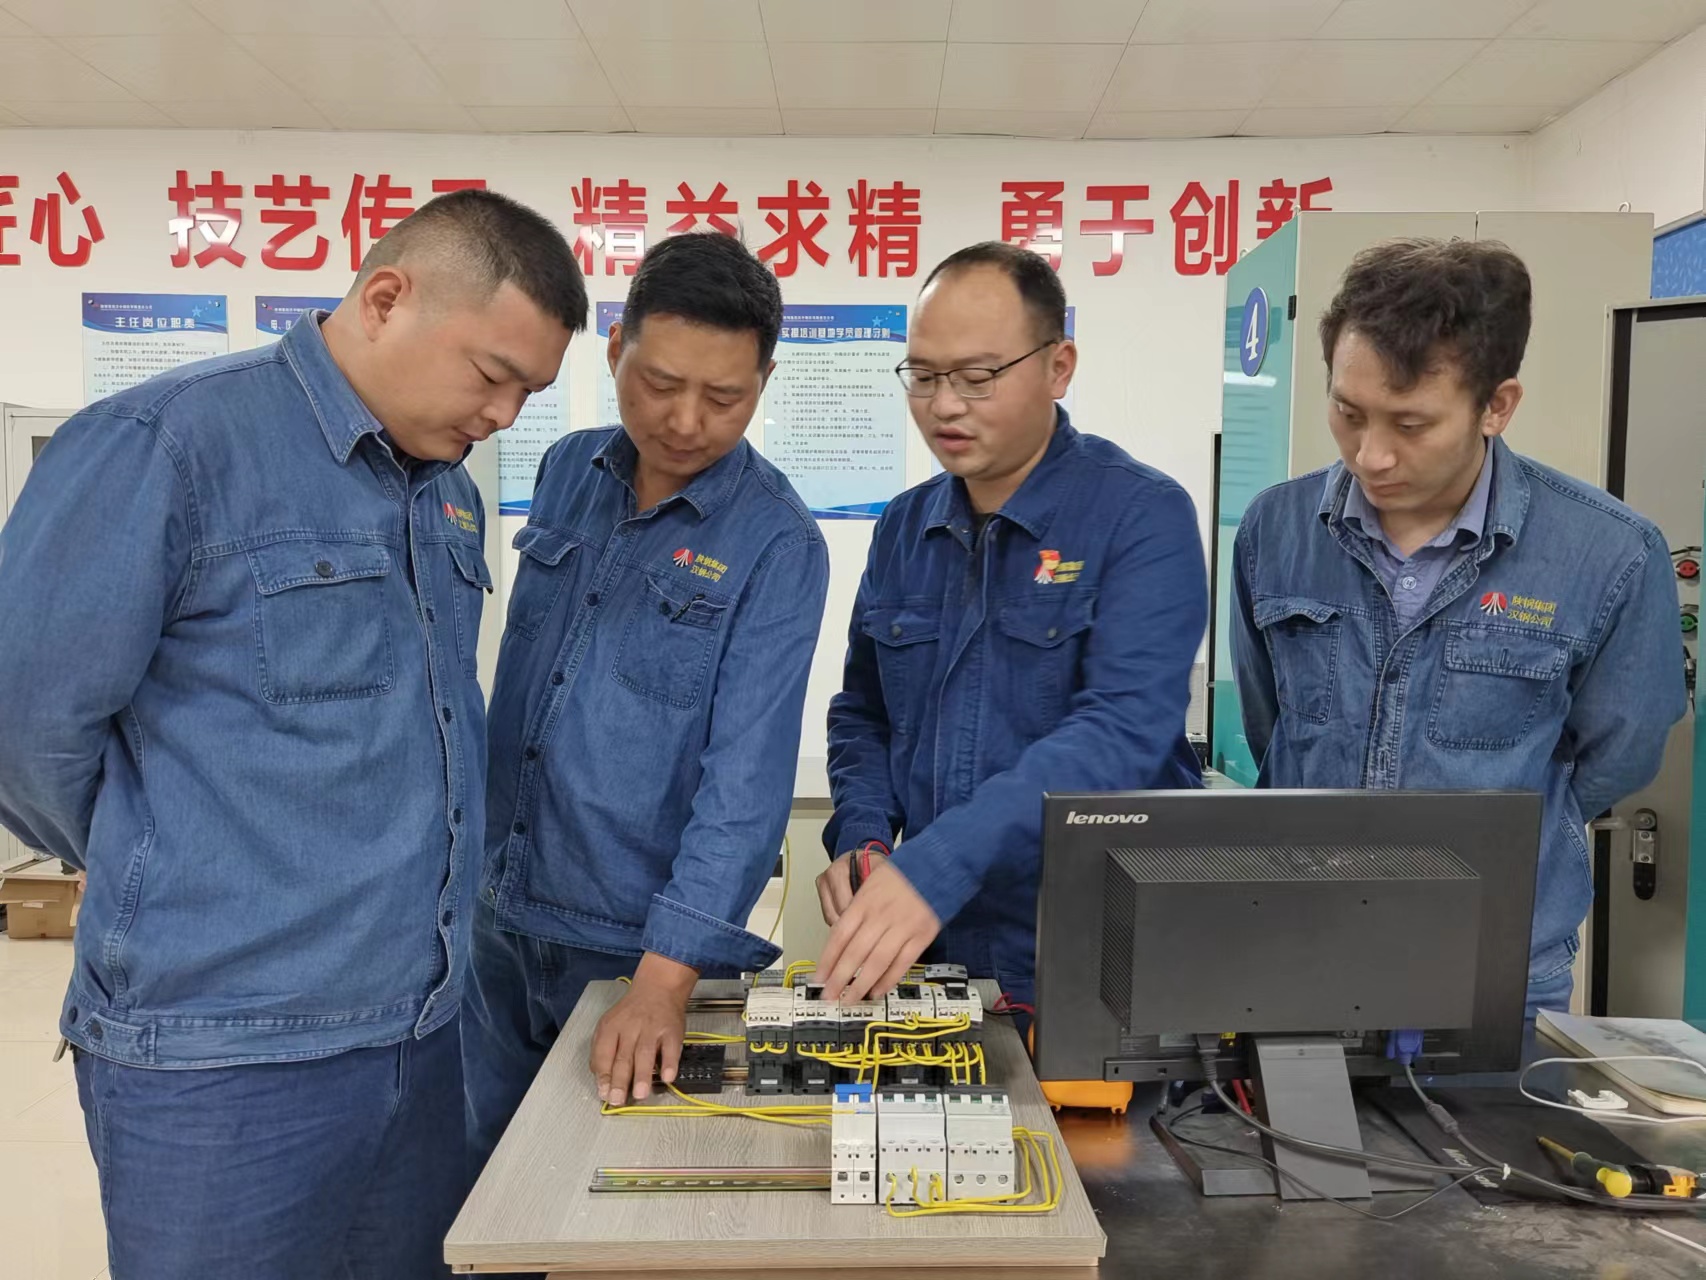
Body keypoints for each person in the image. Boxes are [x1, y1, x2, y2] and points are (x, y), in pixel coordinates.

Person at [0, 189, 584, 1279]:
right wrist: (158, 852)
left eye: (530, 392)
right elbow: (23, 721)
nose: (505, 413)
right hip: (223, 1057)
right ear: (384, 297)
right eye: (492, 374)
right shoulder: (169, 445)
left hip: (418, 1040)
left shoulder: (443, 495)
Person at [1230, 237, 1687, 1016]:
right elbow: (1269, 723)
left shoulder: (1609, 554)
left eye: (1411, 425)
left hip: (1495, 972)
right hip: (1298, 948)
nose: (1371, 456)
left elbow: (1616, 760)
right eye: (1348, 412)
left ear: (1497, 406)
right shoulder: (1278, 529)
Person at [465, 230, 829, 1170]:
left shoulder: (776, 543)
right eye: (661, 383)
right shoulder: (567, 471)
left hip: (627, 946)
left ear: (765, 379)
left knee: (599, 1198)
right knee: (478, 1182)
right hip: (493, 911)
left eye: (725, 397)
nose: (686, 421)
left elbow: (744, 784)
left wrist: (666, 978)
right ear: (618, 343)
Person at [813, 241, 1206, 1012]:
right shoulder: (903, 526)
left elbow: (1123, 730)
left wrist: (939, 864)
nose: (945, 406)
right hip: (937, 960)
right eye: (922, 377)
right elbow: (864, 713)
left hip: (1093, 960)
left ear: (1059, 366)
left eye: (977, 377)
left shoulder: (1140, 515)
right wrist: (863, 834)